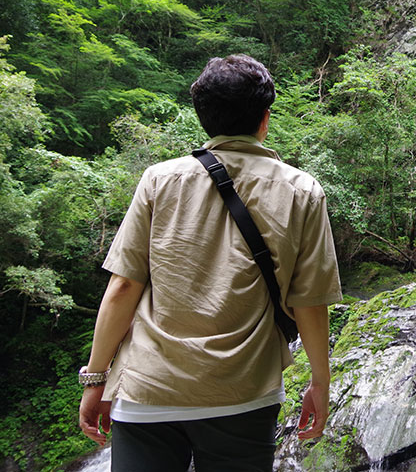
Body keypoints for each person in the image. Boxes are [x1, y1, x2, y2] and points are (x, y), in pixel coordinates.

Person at [78, 54, 342, 471]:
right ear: (265, 118)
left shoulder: (159, 180)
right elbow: (309, 302)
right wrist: (320, 383)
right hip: (244, 395)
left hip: (149, 389)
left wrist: (95, 379)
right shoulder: (302, 191)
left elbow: (124, 288)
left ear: (204, 118)